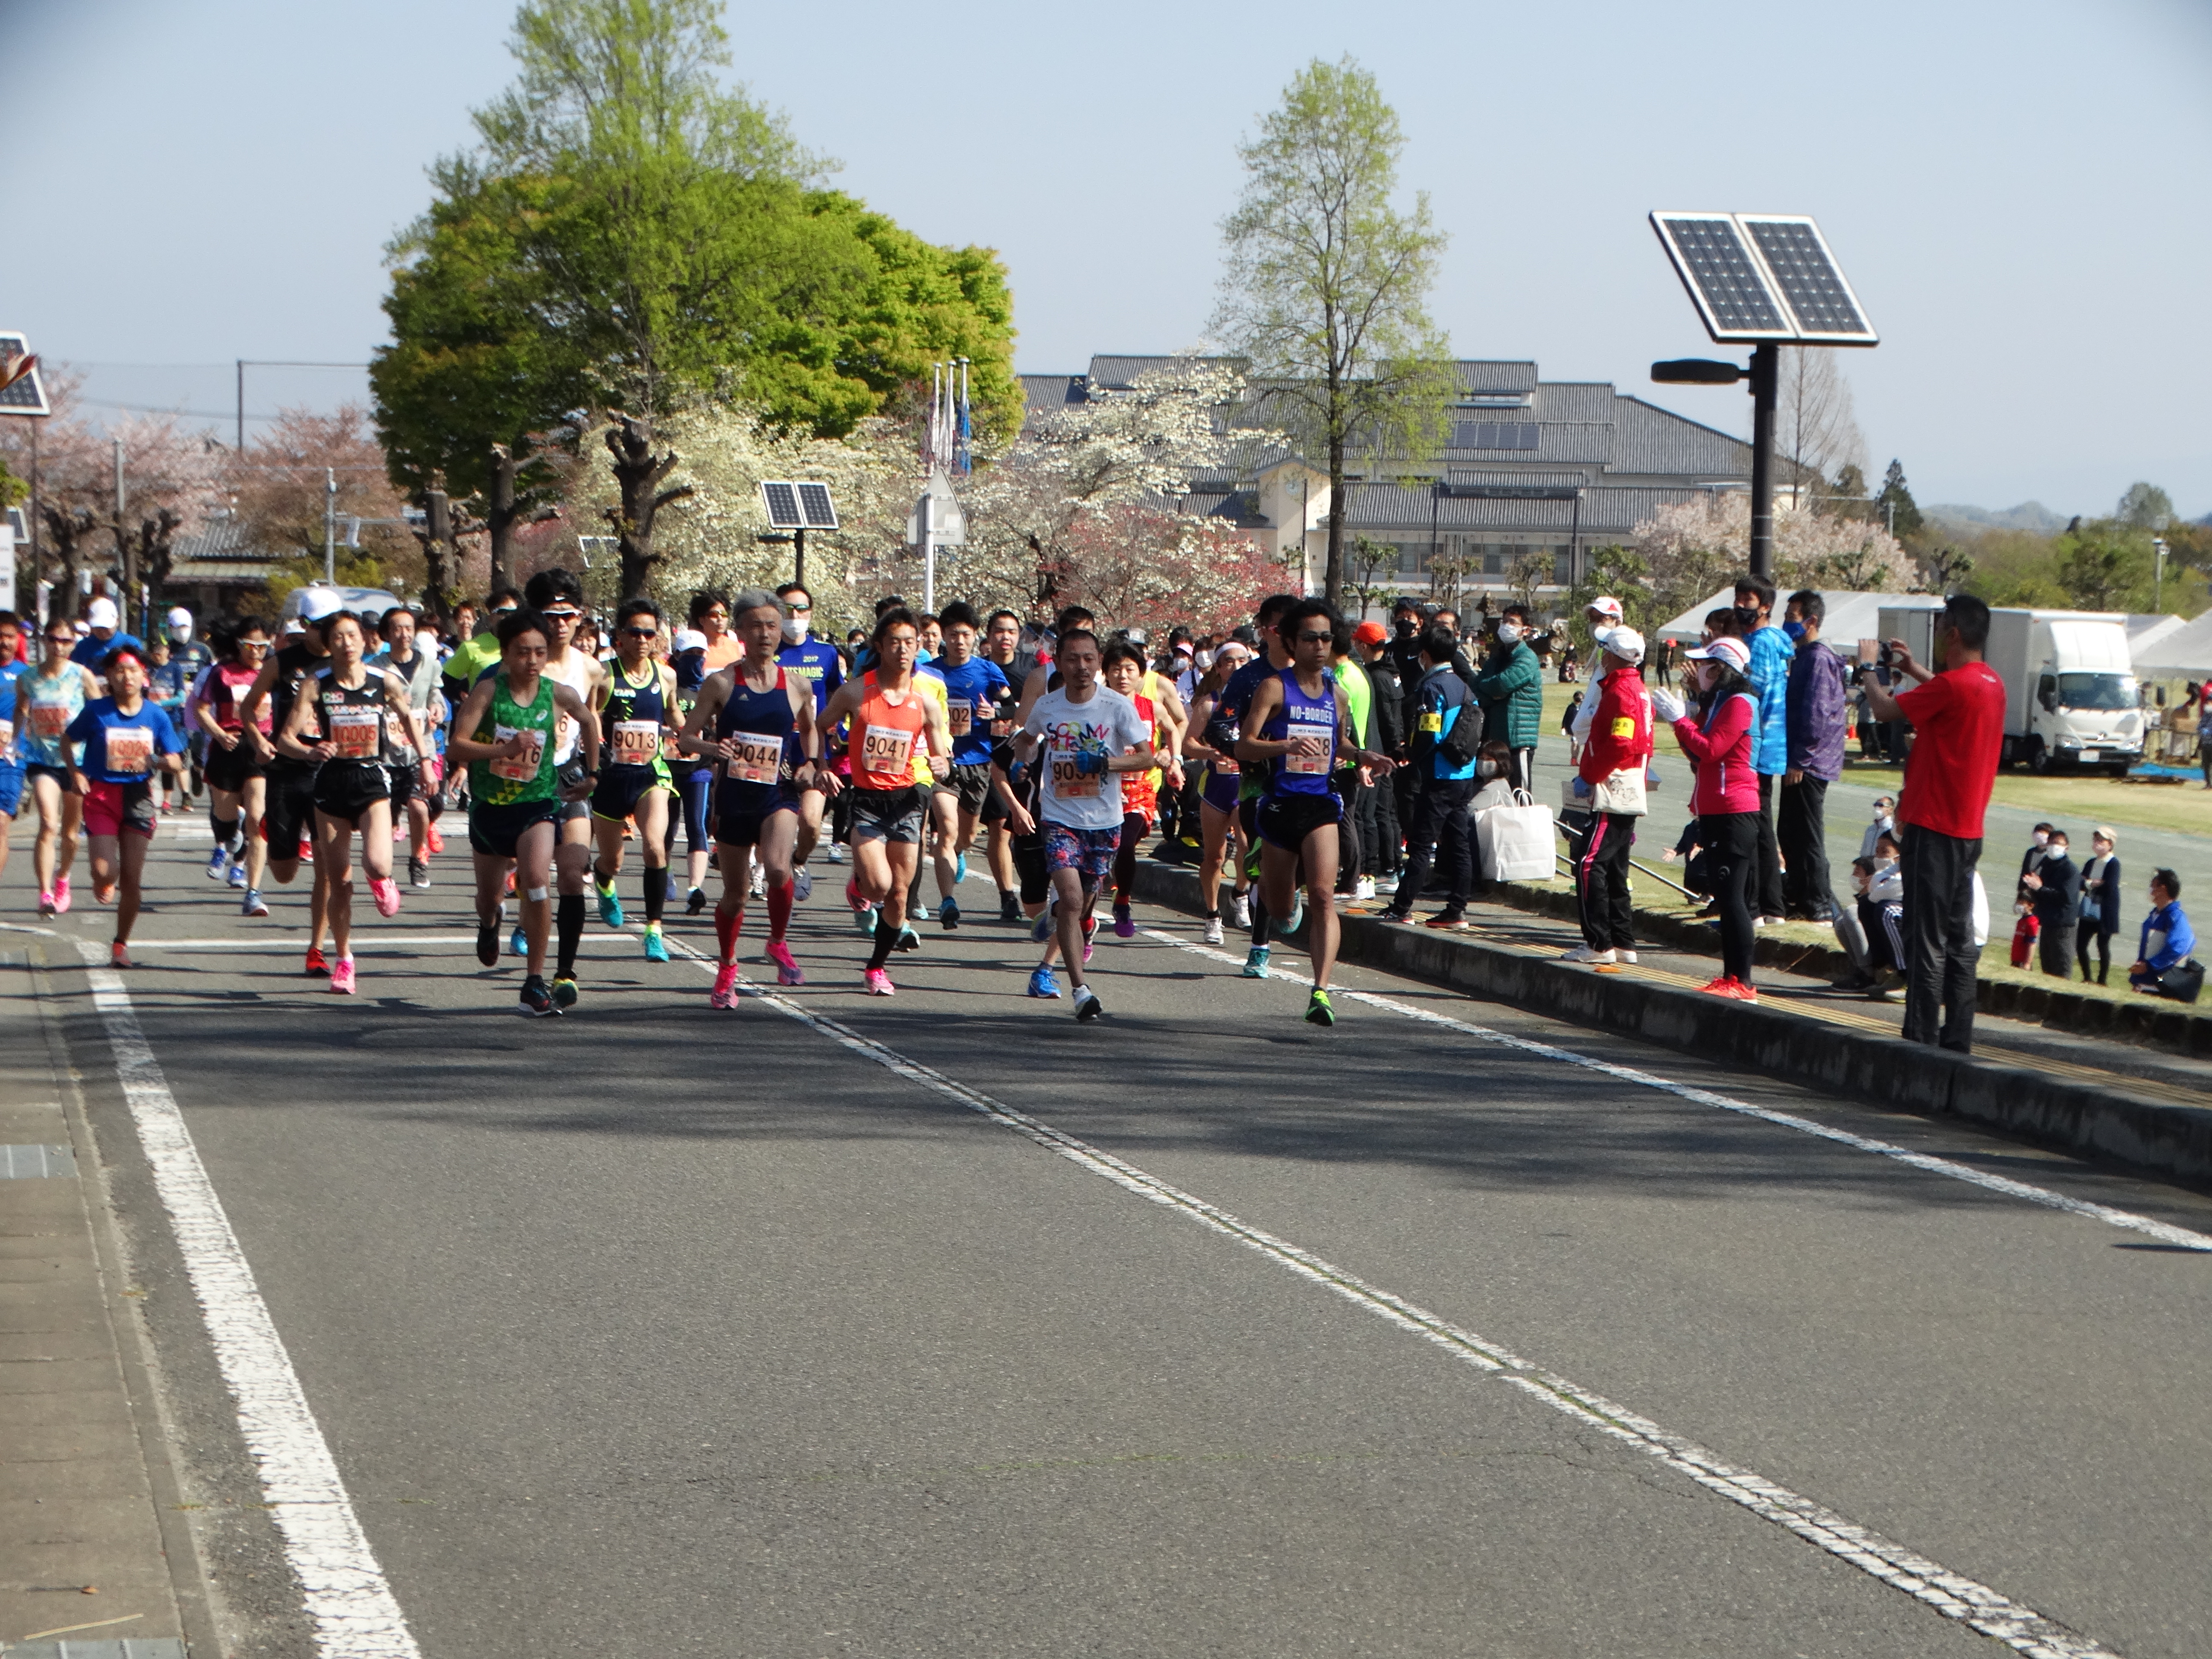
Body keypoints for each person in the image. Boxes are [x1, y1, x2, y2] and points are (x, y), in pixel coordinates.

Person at [1237, 599, 1394, 1024]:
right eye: (1310, 638)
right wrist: (1284, 747)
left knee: (1325, 895)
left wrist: (1363, 756)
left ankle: (1320, 991)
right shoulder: (1273, 688)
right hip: (1279, 804)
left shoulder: (1337, 695)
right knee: (1279, 904)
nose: (1320, 645)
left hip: (1321, 803)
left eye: (1326, 637)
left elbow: (1340, 744)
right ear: (1290, 642)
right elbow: (1244, 745)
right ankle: (1282, 904)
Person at [1862, 594, 2007, 1053]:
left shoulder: (1953, 686)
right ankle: (1956, 1037)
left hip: (1932, 825)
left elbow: (1885, 710)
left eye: (1943, 625)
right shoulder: (1990, 683)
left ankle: (1920, 1037)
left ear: (1954, 634)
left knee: (1925, 938)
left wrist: (1870, 670)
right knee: (1961, 941)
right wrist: (1915, 669)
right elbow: (1946, 693)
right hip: (1967, 829)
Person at [447, 610, 600, 1016]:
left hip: (537, 804)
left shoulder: (557, 693)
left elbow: (588, 720)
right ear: (505, 653)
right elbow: (457, 747)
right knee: (489, 896)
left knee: (536, 882)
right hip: (490, 809)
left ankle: (534, 980)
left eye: (539, 653)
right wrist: (503, 750)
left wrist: (592, 773)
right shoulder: (487, 692)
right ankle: (489, 922)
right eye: (522, 653)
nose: (532, 661)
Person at [274, 612, 432, 995]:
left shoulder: (385, 682)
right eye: (339, 637)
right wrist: (312, 751)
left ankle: (383, 879)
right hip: (330, 785)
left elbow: (410, 720)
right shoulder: (317, 685)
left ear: (365, 641)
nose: (347, 643)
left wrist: (425, 760)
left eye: (353, 636)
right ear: (330, 644)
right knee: (339, 882)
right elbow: (285, 739)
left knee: (376, 862)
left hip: (371, 780)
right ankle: (345, 960)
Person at [682, 589, 824, 1007]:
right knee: (736, 894)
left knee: (779, 868)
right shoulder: (722, 682)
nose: (766, 634)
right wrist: (713, 749)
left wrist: (811, 764)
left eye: (773, 626)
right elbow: (687, 736)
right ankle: (727, 964)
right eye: (757, 626)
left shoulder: (796, 684)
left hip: (777, 791)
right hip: (734, 796)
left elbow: (811, 728)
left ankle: (777, 942)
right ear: (740, 631)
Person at [1012, 627, 1159, 1021]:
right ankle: (1080, 990)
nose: (1082, 667)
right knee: (1074, 900)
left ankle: (1056, 915)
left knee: (1085, 903)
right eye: (1073, 659)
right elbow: (1027, 741)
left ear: (1099, 664)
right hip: (1060, 818)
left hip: (1105, 820)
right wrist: (1020, 754)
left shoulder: (1116, 707)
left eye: (1089, 659)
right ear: (1058, 662)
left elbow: (1147, 758)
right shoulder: (1048, 706)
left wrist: (1106, 764)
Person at [818, 608, 950, 995]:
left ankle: (876, 968)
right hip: (867, 800)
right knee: (879, 887)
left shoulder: (925, 702)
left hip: (907, 800)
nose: (904, 650)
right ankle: (859, 886)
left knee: (899, 893)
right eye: (895, 642)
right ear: (880, 646)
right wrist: (822, 765)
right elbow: (820, 726)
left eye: (911, 642)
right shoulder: (857, 691)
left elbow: (941, 755)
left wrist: (943, 764)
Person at [1651, 634, 1761, 1001]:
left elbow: (1712, 750)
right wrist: (1682, 720)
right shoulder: (1719, 703)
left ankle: (1742, 981)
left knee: (1732, 897)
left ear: (1722, 669)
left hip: (1734, 809)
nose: (1698, 671)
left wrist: (1681, 720)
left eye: (1706, 666)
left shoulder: (1740, 704)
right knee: (1725, 894)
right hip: (1716, 808)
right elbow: (1696, 753)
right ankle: (1731, 976)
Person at [239, 586, 342, 972]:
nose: (331, 635)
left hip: (328, 774)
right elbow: (249, 707)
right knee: (283, 873)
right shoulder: (282, 662)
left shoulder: (348, 665)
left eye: (335, 626)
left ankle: (317, 949)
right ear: (308, 628)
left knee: (329, 869)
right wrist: (258, 740)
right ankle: (275, 829)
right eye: (322, 628)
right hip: (285, 771)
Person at [65, 646, 186, 967]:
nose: (127, 677)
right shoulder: (96, 711)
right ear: (110, 677)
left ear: (144, 676)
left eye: (133, 670)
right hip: (101, 796)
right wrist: (76, 773)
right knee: (104, 870)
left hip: (138, 798)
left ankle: (121, 943)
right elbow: (68, 740)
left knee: (132, 878)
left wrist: (156, 760)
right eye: (119, 671)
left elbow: (177, 761)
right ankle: (102, 878)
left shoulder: (156, 715)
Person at [588, 598, 683, 962]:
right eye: (635, 632)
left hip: (651, 773)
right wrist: (597, 742)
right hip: (612, 776)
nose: (643, 639)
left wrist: (698, 736)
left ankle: (653, 930)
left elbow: (674, 714)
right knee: (612, 860)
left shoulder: (666, 675)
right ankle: (604, 881)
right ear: (620, 637)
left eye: (650, 633)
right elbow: (592, 713)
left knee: (655, 847)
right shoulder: (604, 673)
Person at [1379, 622, 1481, 929]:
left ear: (1425, 654)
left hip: (1438, 776)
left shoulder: (1432, 687)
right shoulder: (1465, 687)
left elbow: (1429, 734)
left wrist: (1409, 756)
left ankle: (1402, 906)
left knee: (1422, 844)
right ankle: (1457, 909)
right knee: (1459, 842)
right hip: (1464, 773)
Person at [917, 600, 1012, 931]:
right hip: (943, 761)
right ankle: (948, 901)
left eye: (966, 634)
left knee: (967, 836)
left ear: (975, 637)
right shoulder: (929, 673)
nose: (959, 641)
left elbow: (1011, 705)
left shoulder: (987, 671)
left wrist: (996, 713)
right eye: (953, 634)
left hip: (978, 761)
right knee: (946, 827)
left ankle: (958, 852)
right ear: (943, 635)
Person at [1563, 626, 1652, 967]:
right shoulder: (1635, 688)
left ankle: (1599, 942)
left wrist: (1589, 776)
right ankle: (1622, 938)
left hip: (1613, 785)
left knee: (1589, 862)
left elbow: (1620, 743)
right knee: (1615, 865)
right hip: (1625, 783)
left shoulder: (1621, 691)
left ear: (1613, 655)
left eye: (1605, 651)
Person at [21, 617, 102, 915]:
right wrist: (14, 743)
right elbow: (21, 711)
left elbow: (99, 714)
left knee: (70, 834)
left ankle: (63, 879)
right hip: (42, 760)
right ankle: (44, 893)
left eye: (66, 641)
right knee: (48, 824)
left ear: (73, 645)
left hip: (77, 764)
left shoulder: (82, 676)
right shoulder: (29, 678)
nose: (59, 646)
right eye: (53, 640)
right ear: (44, 642)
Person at [368, 605, 445, 889]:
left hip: (420, 748)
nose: (404, 634)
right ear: (387, 633)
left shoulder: (429, 663)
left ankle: (418, 859)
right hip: (386, 752)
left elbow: (436, 693)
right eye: (398, 629)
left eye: (409, 628)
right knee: (385, 818)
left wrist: (437, 708)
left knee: (420, 806)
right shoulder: (375, 667)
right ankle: (383, 871)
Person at [1781, 589, 1847, 922]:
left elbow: (1817, 714)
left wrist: (1800, 760)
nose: (1787, 622)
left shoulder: (1819, 658)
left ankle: (1819, 902)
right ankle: (1798, 894)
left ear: (1812, 621)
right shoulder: (1805, 655)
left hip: (1810, 762)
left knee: (1806, 833)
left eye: (1793, 617)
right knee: (1790, 830)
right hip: (1803, 758)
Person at [775, 581, 845, 889]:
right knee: (771, 824)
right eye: (787, 608)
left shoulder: (826, 654)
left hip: (813, 750)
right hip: (773, 750)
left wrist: (836, 735)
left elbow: (838, 697)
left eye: (801, 608)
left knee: (812, 823)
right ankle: (763, 872)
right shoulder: (768, 652)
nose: (794, 614)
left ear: (811, 613)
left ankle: (800, 860)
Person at [1184, 641, 1254, 945]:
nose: (1236, 667)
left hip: (1247, 785)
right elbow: (1188, 744)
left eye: (1242, 661)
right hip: (1217, 787)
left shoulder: (1258, 703)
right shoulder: (1209, 704)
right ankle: (1213, 915)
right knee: (1214, 857)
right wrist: (1210, 754)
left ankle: (1240, 892)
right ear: (1219, 667)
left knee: (1247, 846)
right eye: (1229, 662)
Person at [1734, 576, 1791, 926]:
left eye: (1748, 600)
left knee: (1751, 826)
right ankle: (1773, 906)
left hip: (1759, 744)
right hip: (1768, 745)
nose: (1741, 605)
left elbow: (1756, 692)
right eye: (1738, 598)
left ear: (1766, 606)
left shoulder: (1762, 643)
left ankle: (1756, 905)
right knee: (1763, 824)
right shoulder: (1770, 641)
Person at [1471, 604, 1541, 795]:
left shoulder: (1527, 658)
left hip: (1518, 740)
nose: (1506, 626)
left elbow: (1501, 684)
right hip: (1495, 737)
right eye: (1504, 621)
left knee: (1520, 794)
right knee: (1492, 792)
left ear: (1526, 630)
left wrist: (1491, 688)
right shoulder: (1497, 657)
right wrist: (1492, 692)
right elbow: (1478, 687)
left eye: (1512, 622)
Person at [2020, 828, 2081, 978]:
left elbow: (2066, 897)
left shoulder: (2070, 870)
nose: (2054, 847)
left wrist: (2041, 888)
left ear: (2067, 848)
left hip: (2063, 925)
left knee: (2061, 967)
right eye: (2052, 843)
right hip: (2047, 921)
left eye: (2058, 844)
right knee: (2047, 966)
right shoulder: (2047, 864)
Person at [2129, 870, 2197, 999]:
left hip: (2163, 983)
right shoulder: (2154, 915)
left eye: (2153, 885)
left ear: (2163, 888)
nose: (2150, 890)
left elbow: (2179, 947)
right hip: (2146, 980)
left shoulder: (2176, 917)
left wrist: (2150, 965)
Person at [2077, 828, 2122, 987]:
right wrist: (2092, 883)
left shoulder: (2114, 864)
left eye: (2101, 841)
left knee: (2102, 946)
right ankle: (2087, 977)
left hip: (2105, 911)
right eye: (2095, 840)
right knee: (2080, 944)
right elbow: (2081, 882)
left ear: (2110, 845)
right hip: (2089, 908)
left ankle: (2102, 981)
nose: (2097, 844)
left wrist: (2091, 883)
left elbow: (2109, 886)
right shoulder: (2091, 862)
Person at [69, 596, 145, 681]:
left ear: (117, 621)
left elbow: (141, 672)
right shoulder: (83, 646)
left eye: (106, 628)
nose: (102, 632)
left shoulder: (131, 644)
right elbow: (74, 675)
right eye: (98, 628)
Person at [1857, 794, 1897, 861]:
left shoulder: (1892, 829)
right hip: (1868, 865)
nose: (1877, 808)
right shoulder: (1870, 829)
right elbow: (1864, 851)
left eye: (1881, 806)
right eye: (1876, 805)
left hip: (1883, 865)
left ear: (1890, 810)